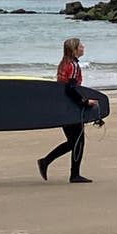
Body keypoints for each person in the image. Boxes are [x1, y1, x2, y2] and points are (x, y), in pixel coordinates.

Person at [37, 38, 97, 183]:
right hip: (71, 107)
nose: (83, 47)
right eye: (80, 45)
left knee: (73, 141)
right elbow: (70, 89)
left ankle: (45, 162)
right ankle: (74, 175)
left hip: (62, 106)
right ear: (74, 50)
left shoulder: (63, 64)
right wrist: (84, 102)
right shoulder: (73, 65)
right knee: (78, 141)